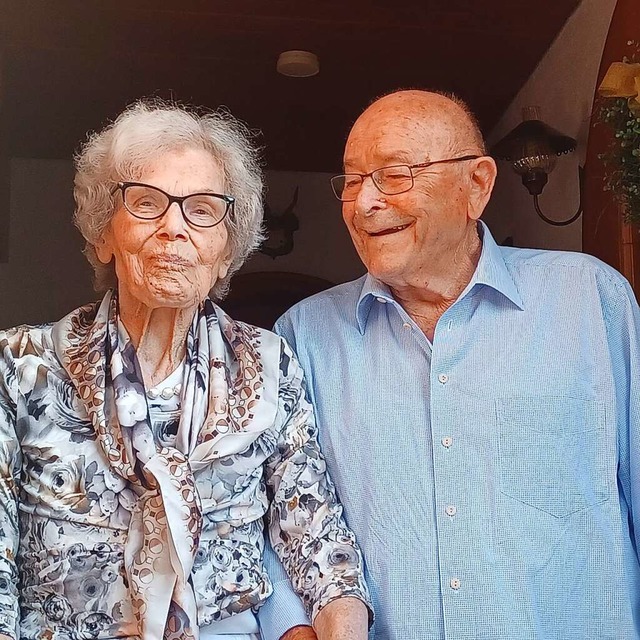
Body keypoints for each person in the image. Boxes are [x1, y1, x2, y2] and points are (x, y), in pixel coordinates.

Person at [274, 89, 640, 639]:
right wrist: (290, 627)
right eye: (352, 181)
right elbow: (272, 512)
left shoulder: (589, 298)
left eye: (394, 174)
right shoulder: (302, 336)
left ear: (477, 184)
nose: (364, 203)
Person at [0, 100, 371, 640]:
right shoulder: (20, 366)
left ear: (226, 252)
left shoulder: (268, 363)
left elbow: (316, 533)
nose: (174, 227)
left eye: (202, 210)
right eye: (147, 203)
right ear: (104, 235)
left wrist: (343, 626)